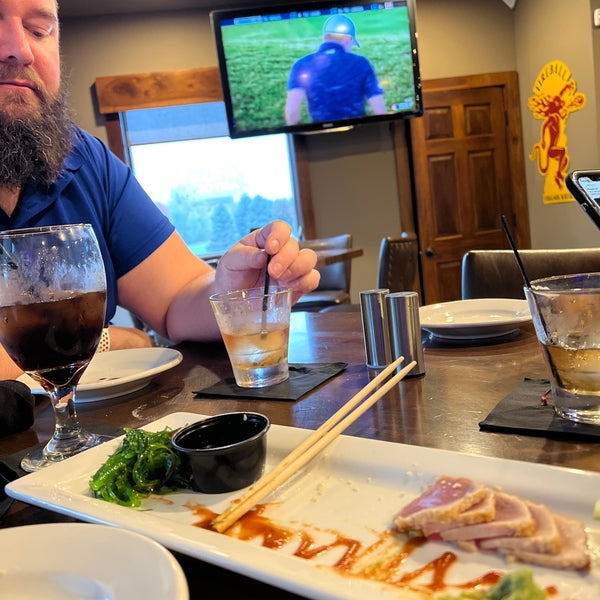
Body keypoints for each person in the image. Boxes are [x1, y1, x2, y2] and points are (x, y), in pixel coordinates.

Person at [0, 0, 320, 380]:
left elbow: (175, 299)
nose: (19, 49)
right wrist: (108, 341)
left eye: (39, 30)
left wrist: (233, 293)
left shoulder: (85, 160)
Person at [285, 14, 386, 125]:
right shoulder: (361, 62)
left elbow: (292, 111)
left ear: (325, 38)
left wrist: (299, 133)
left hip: (320, 134)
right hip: (359, 131)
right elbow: (379, 108)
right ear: (348, 39)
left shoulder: (301, 64)